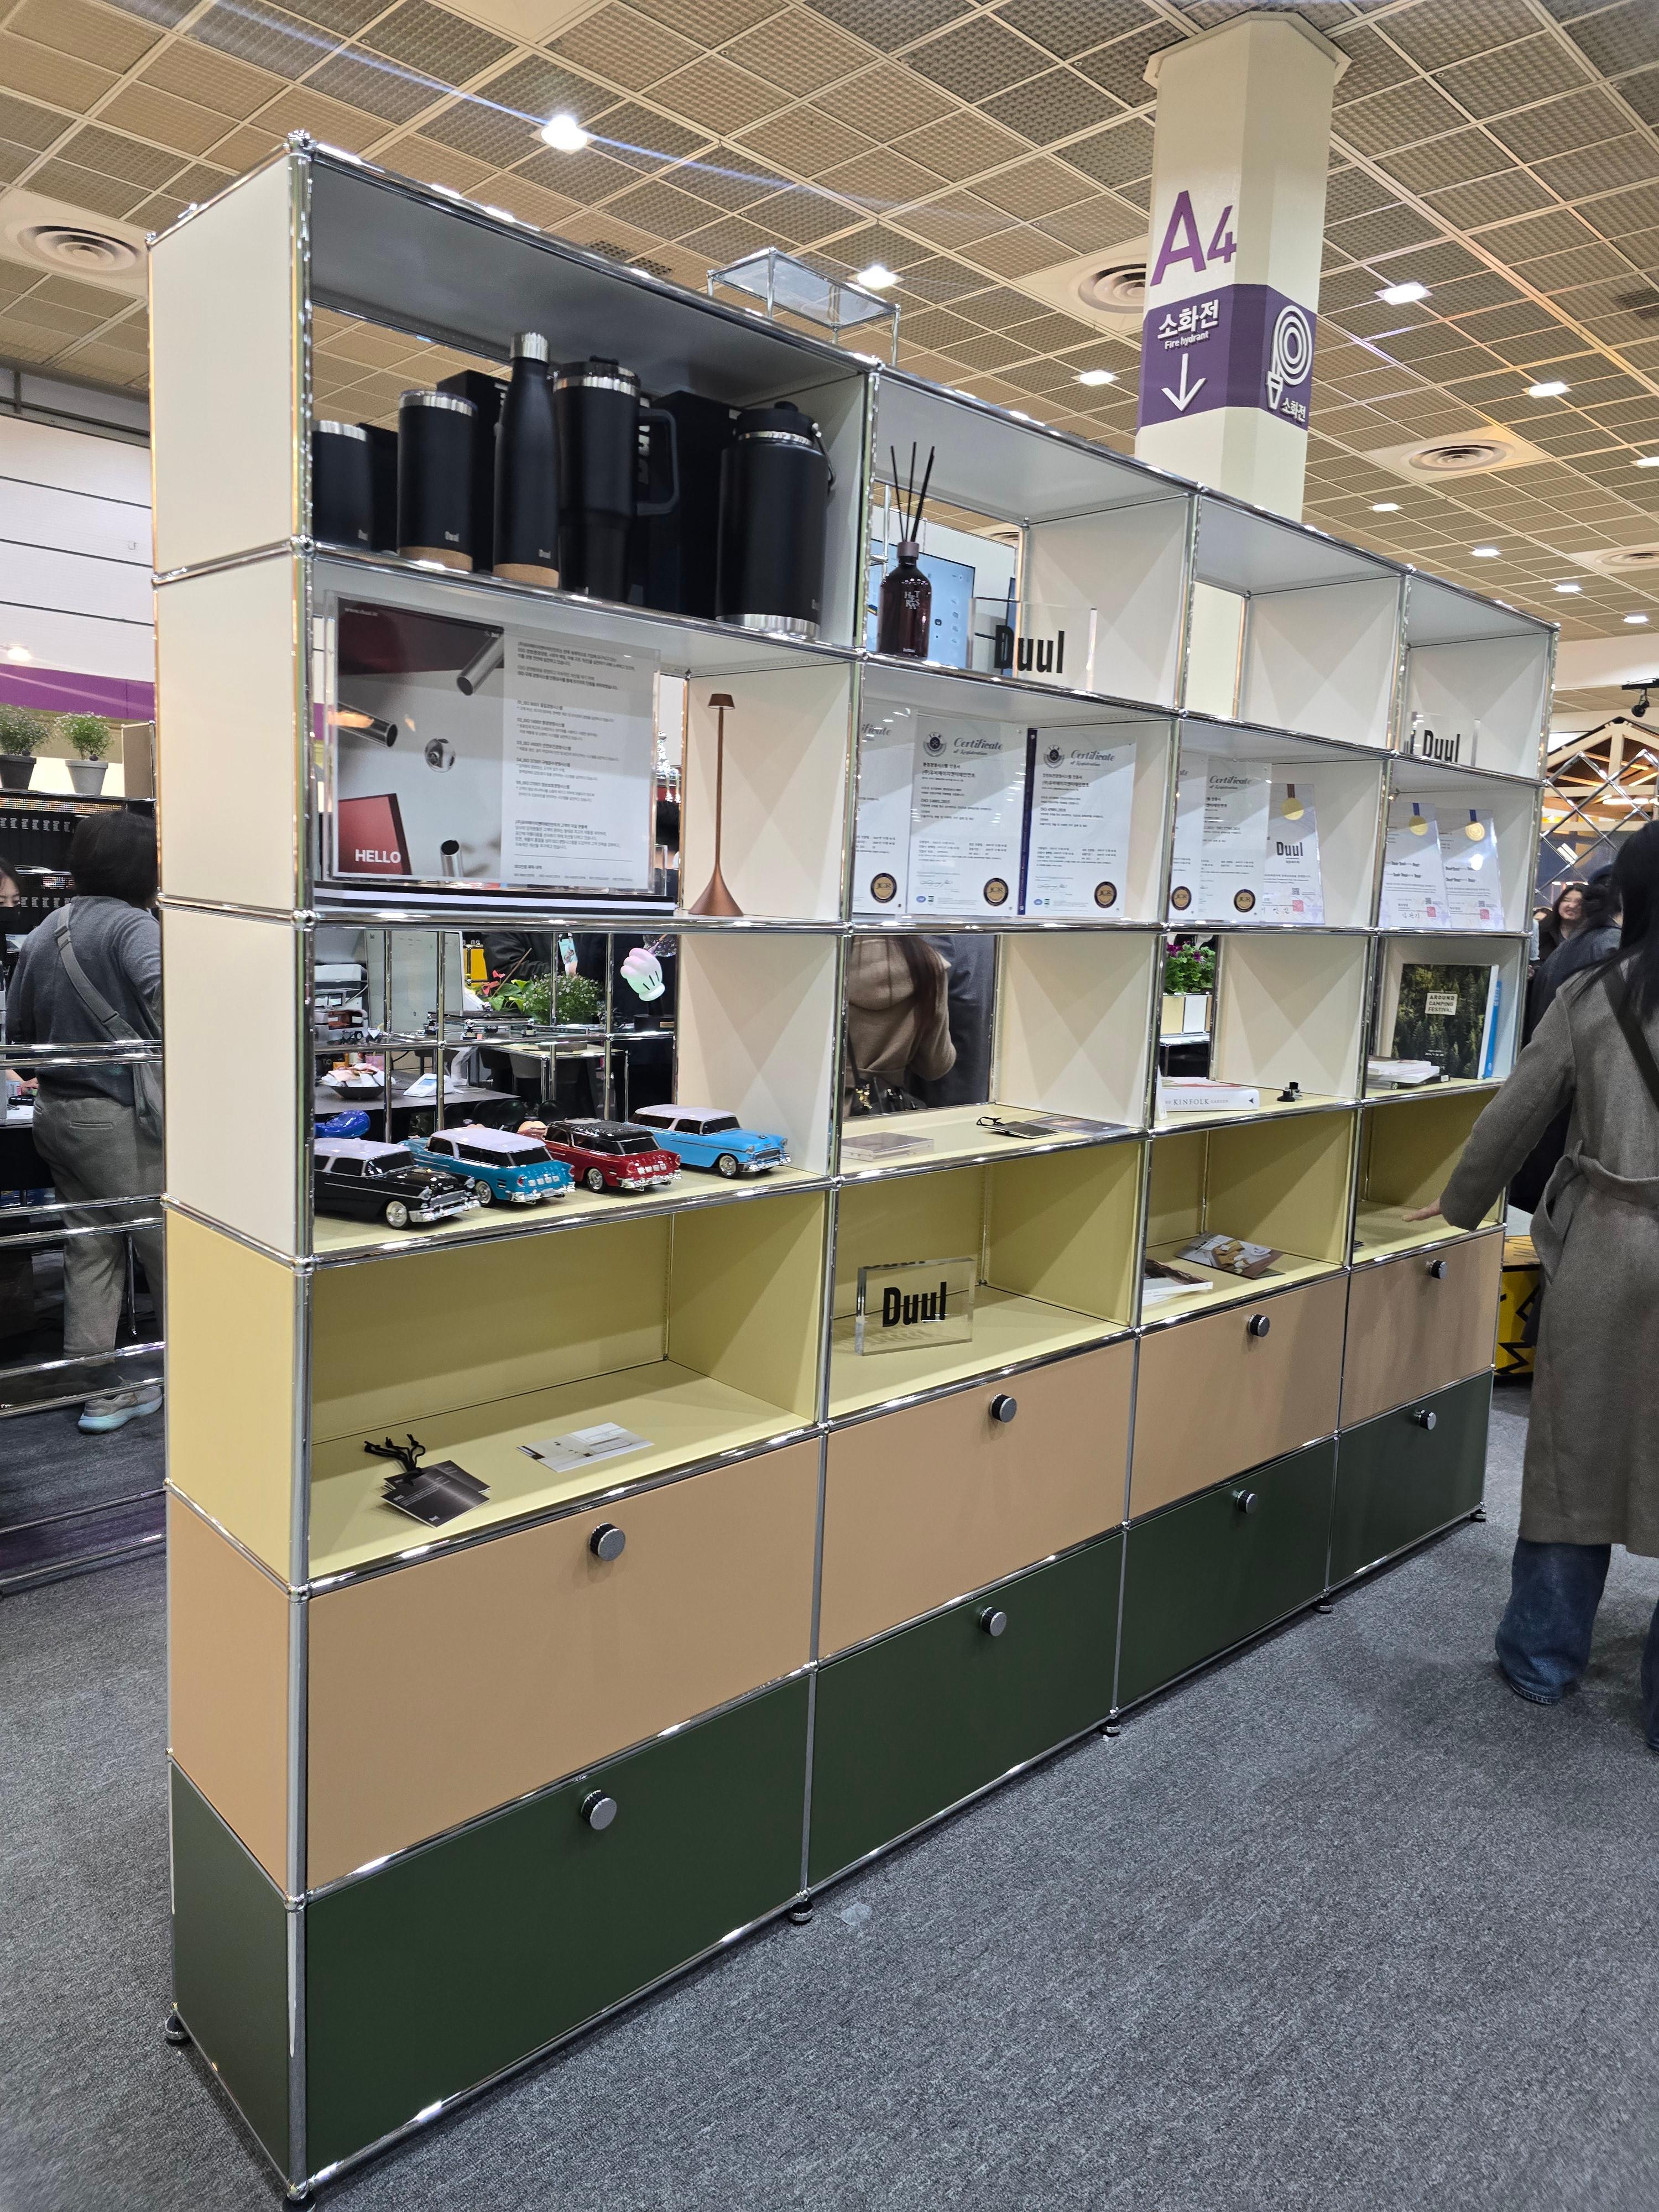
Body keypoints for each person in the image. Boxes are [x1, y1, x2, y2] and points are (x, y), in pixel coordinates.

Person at [1408, 821, 1659, 1749]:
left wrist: (1456, 1207)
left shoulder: (1594, 995)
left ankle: (1543, 1660)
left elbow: (1515, 1114)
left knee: (1568, 1455)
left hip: (1605, 1246)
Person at [4, 813, 163, 1433]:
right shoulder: (133, 925)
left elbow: (19, 1035)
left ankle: (96, 1385)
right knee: (172, 1249)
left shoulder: (49, 928)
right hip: (120, 1117)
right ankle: (201, 1371)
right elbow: (173, 1000)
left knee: (91, 1247)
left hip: (56, 1112)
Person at [842, 935, 954, 1114]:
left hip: (819, 1110)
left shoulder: (821, 960)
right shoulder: (928, 964)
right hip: (886, 1110)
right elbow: (935, 1066)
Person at [1535, 881, 1584, 964]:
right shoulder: (1542, 931)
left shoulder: (1592, 936)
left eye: (1579, 903)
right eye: (1566, 900)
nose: (1571, 906)